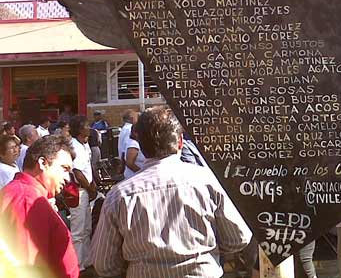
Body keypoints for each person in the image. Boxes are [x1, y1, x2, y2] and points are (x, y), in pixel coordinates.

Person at [91, 106, 252, 277]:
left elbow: (104, 263)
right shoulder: (207, 181)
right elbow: (238, 238)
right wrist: (206, 250)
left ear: (141, 146)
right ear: (180, 142)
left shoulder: (119, 196)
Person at [0, 134, 79, 278]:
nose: (67, 179)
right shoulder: (26, 199)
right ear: (43, 163)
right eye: (64, 168)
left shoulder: (28, 195)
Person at [70, 115, 96, 272]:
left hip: (87, 189)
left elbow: (87, 168)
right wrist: (89, 188)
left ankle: (87, 260)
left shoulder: (84, 145)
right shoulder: (75, 146)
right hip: (79, 191)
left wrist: (93, 184)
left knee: (87, 228)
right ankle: (77, 265)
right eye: (86, 125)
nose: (89, 128)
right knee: (78, 230)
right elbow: (78, 172)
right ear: (80, 129)